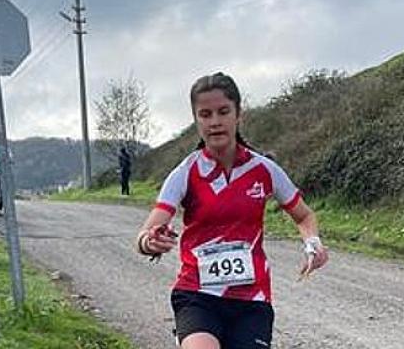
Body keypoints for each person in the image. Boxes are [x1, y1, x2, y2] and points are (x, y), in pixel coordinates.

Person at [135, 72, 329, 349]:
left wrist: (313, 242)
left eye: (223, 112)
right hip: (197, 294)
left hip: (251, 301)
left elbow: (304, 215)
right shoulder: (185, 173)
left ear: (239, 115)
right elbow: (145, 233)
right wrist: (150, 241)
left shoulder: (264, 169)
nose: (215, 122)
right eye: (205, 114)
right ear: (196, 120)